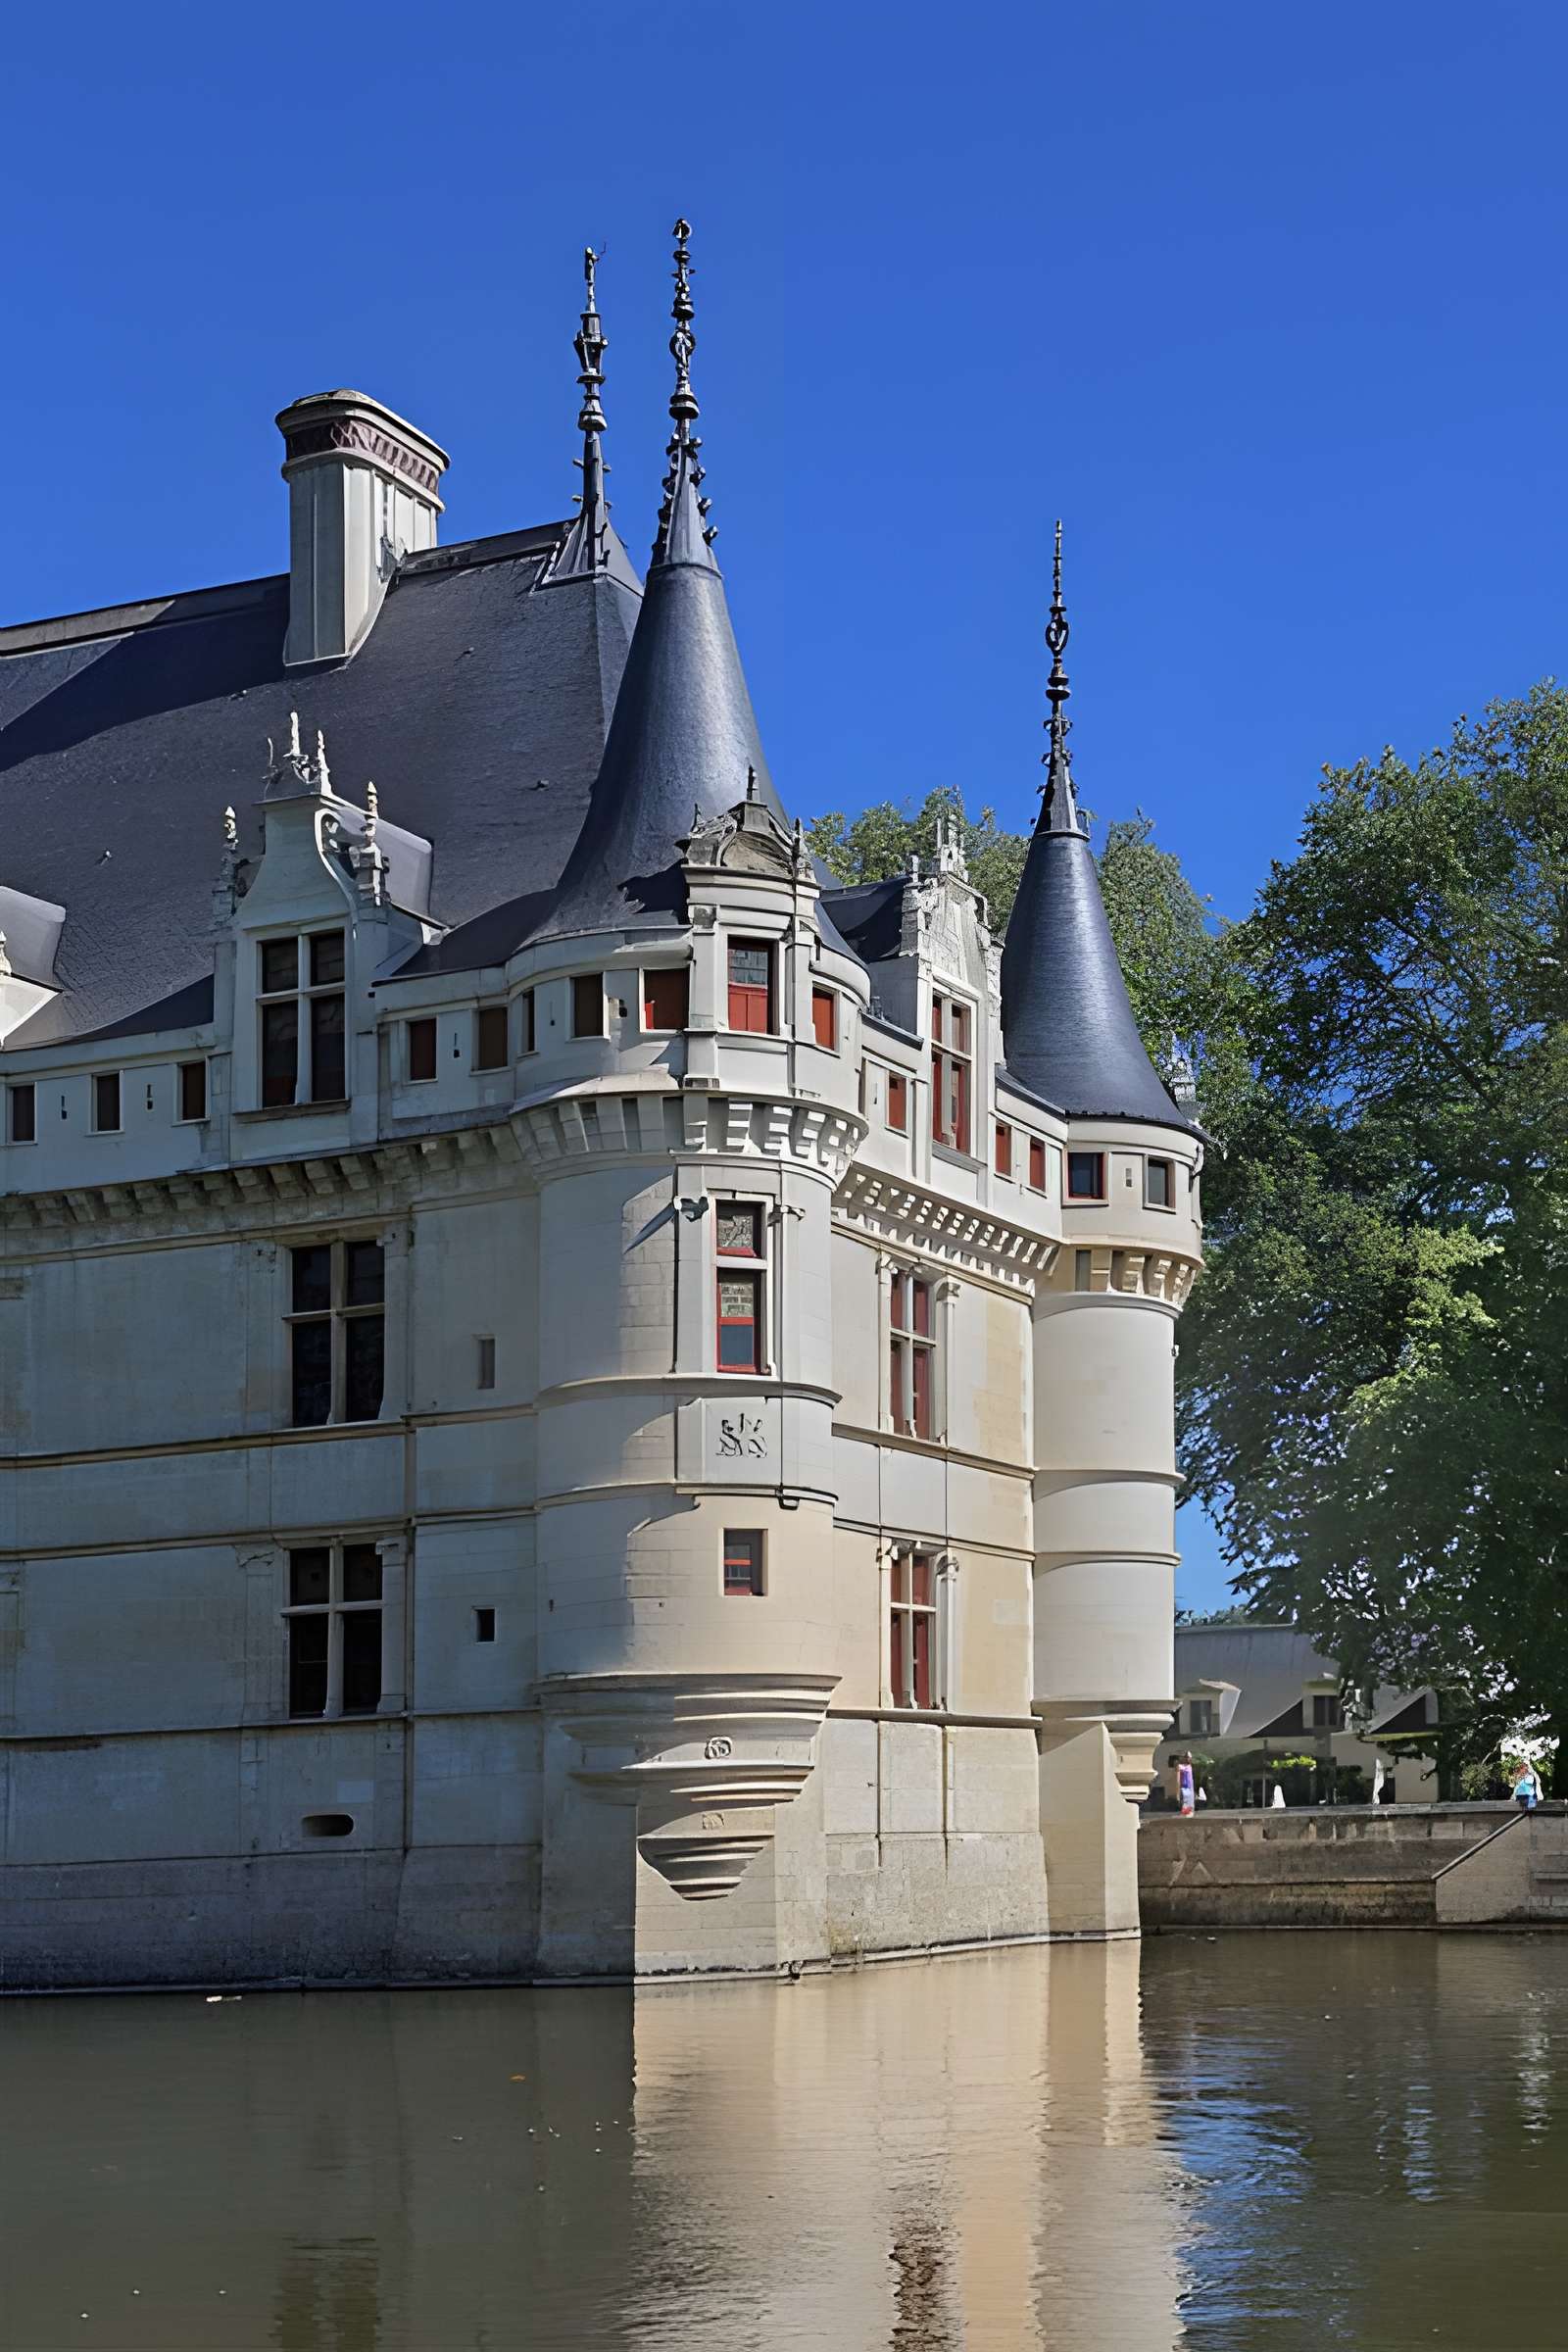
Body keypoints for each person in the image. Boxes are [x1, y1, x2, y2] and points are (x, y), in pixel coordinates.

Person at [1176, 1752, 1196, 1817]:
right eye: (1187, 1757)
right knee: (1185, 1801)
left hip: (1190, 1787)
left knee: (1190, 1802)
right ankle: (1185, 1814)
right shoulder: (1180, 1767)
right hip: (1184, 1787)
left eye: (1189, 1757)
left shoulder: (1190, 1766)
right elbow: (1178, 1777)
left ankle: (1189, 1814)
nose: (1188, 1759)